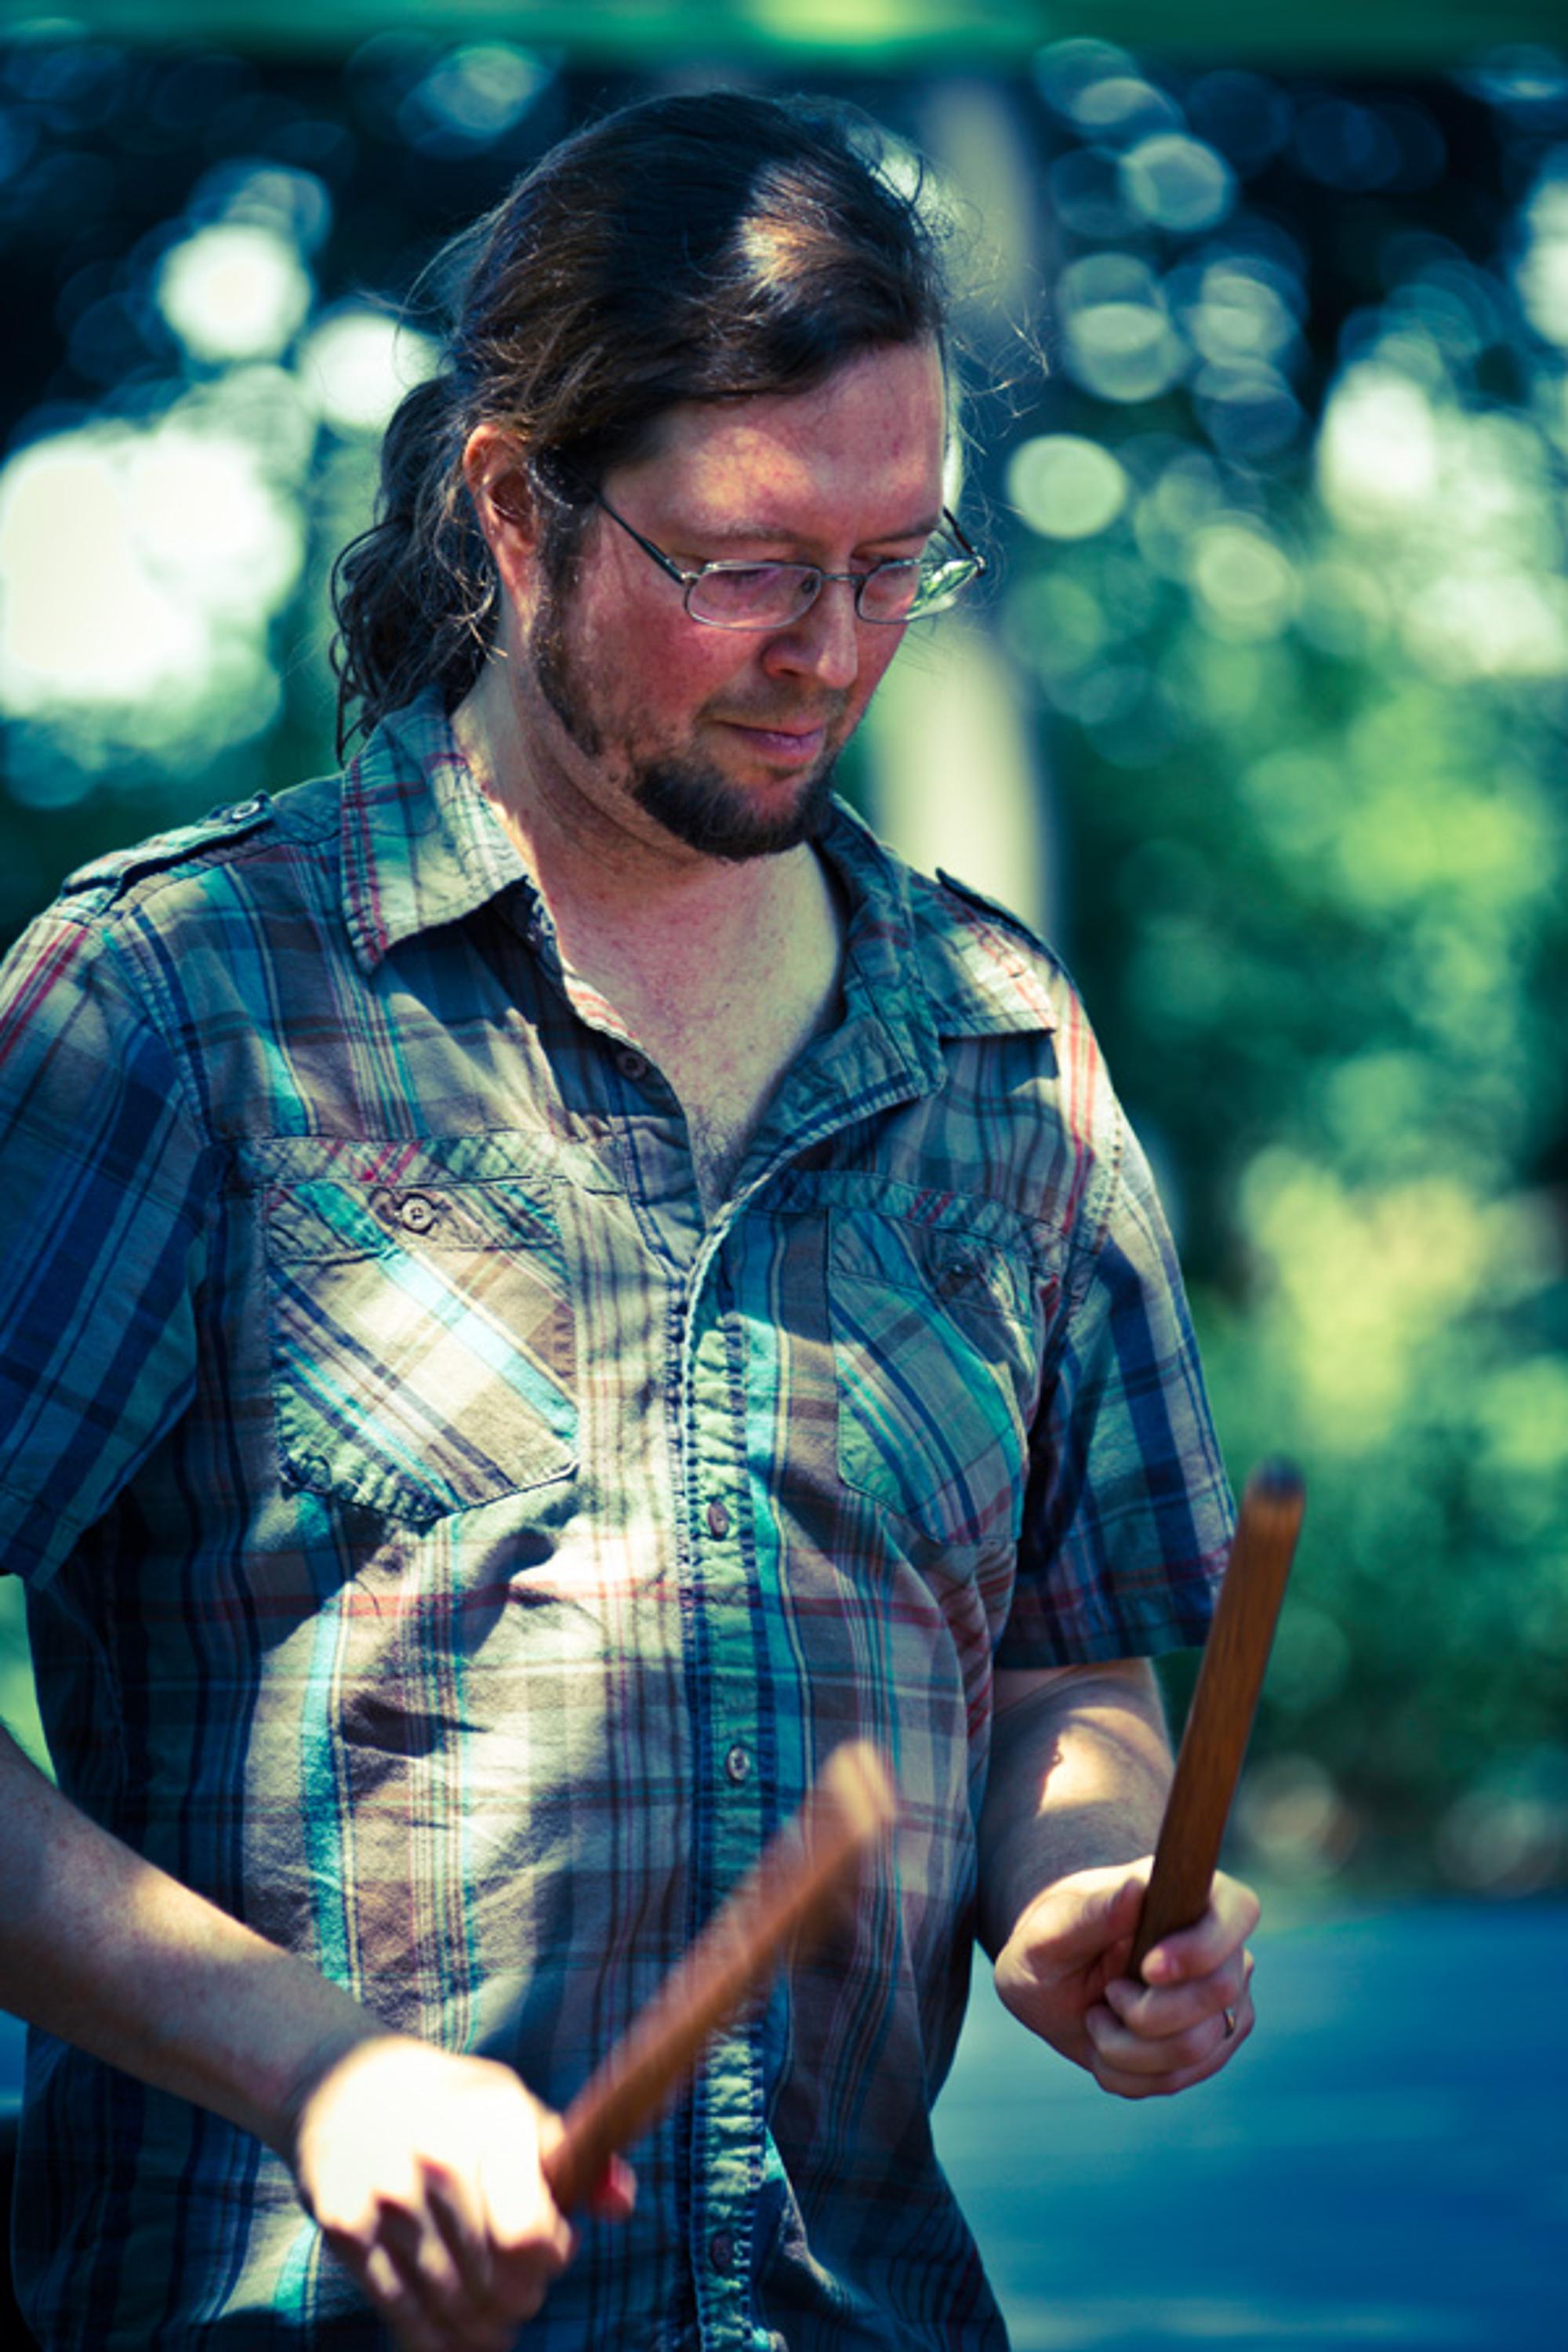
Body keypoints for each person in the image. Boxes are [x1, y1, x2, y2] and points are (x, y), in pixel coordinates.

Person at [0, 89, 1256, 2352]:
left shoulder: (1001, 1050)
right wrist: (315, 2069)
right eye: (749, 566)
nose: (833, 650)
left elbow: (1069, 1666)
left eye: (897, 563)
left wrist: (1085, 1874)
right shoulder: (174, 1007)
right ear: (516, 508)